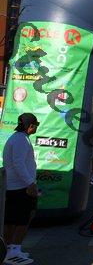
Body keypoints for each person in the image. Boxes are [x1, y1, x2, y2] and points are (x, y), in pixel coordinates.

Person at [3, 113, 40, 265]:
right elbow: (18, 163)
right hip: (21, 187)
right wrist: (30, 183)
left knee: (15, 219)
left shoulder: (18, 138)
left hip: (17, 186)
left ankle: (12, 249)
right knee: (22, 219)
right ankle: (11, 250)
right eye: (36, 125)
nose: (37, 127)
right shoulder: (21, 140)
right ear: (30, 126)